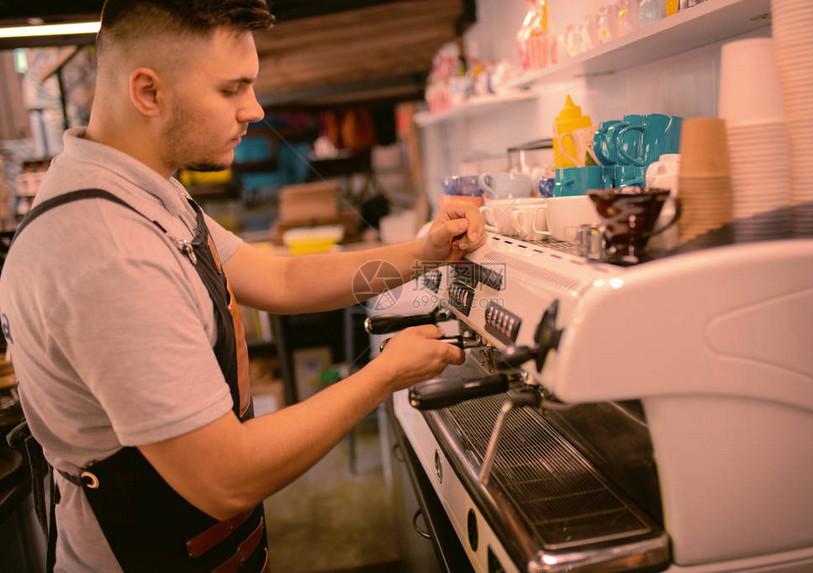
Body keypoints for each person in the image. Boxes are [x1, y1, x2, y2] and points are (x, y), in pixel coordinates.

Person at [0, 1, 486, 571]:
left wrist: (422, 254)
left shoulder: (143, 192)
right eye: (232, 89)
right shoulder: (107, 251)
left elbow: (276, 277)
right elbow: (225, 478)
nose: (254, 109)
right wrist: (384, 373)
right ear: (149, 93)